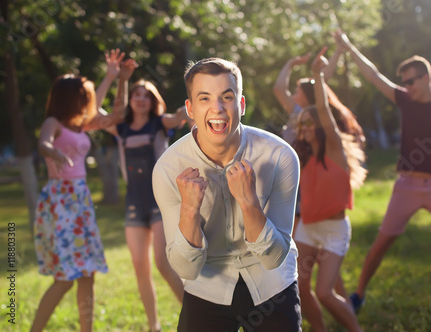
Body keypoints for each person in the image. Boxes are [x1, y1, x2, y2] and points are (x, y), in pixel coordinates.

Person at [334, 30, 431, 312]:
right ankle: (358, 295)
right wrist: (348, 47)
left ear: (427, 77)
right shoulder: (405, 100)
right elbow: (372, 75)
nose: (406, 87)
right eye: (403, 82)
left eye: (411, 81)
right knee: (382, 242)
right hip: (407, 186)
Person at [152, 57, 302, 331]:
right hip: (207, 287)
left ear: (241, 105)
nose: (217, 109)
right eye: (205, 98)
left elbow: (274, 257)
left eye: (227, 97)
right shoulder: (167, 168)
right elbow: (186, 270)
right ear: (190, 109)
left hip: (272, 285)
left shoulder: (279, 156)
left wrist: (249, 203)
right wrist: (189, 210)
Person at [31, 49, 127, 332]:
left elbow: (115, 117)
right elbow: (43, 144)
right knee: (65, 278)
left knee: (87, 275)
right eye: (84, 95)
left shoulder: (83, 125)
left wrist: (114, 78)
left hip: (80, 200)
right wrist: (55, 154)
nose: (88, 101)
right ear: (70, 98)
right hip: (60, 200)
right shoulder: (54, 123)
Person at [273, 47, 365, 304]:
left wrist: (320, 71)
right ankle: (338, 303)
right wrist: (292, 61)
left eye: (300, 90)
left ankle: (339, 303)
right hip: (300, 185)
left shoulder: (316, 120)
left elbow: (322, 95)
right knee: (313, 261)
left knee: (319, 260)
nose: (294, 93)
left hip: (307, 192)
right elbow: (279, 90)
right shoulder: (299, 116)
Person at [106, 60, 188, 332]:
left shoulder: (159, 124)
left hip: (159, 200)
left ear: (154, 101)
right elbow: (100, 113)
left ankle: (196, 318)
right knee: (140, 266)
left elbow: (179, 117)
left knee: (163, 264)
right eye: (135, 95)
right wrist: (120, 79)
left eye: (146, 95)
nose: (140, 99)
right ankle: (154, 327)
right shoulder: (122, 128)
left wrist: (185, 109)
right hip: (134, 202)